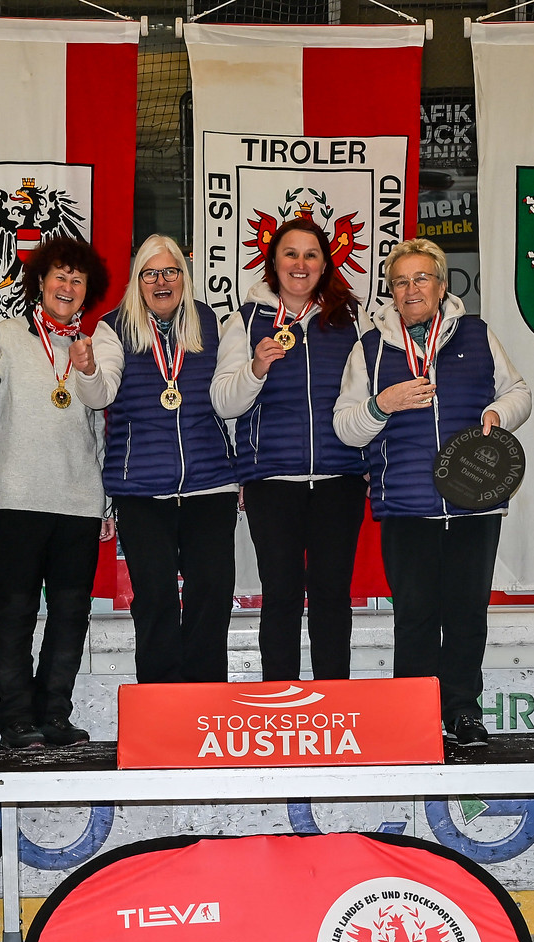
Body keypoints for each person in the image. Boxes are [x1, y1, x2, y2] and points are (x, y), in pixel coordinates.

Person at [332, 238, 531, 746]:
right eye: (401, 281)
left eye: (422, 278)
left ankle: (463, 711)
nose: (411, 288)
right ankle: (412, 716)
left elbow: (519, 393)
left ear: (443, 287)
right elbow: (346, 428)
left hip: (474, 503)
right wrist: (383, 403)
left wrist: (497, 415)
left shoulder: (478, 334)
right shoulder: (370, 348)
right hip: (406, 506)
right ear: (390, 293)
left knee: (467, 615)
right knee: (415, 617)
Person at [0, 235, 111, 747]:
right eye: (59, 276)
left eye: (77, 279)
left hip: (78, 503)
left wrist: (105, 500)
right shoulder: (4, 336)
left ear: (87, 290)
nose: (67, 286)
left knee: (71, 614)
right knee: (16, 612)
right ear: (40, 283)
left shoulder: (91, 345)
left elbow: (99, 428)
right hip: (16, 501)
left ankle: (55, 714)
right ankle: (15, 717)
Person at [212, 216, 369, 681]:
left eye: (311, 254)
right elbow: (223, 402)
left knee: (331, 594)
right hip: (271, 481)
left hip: (340, 478)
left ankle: (334, 700)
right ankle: (279, 699)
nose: (300, 264)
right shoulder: (244, 321)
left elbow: (370, 393)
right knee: (280, 593)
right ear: (273, 262)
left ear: (325, 264)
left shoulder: (351, 320)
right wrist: (256, 368)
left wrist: (368, 460)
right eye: (290, 254)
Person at [72, 234, 236, 683]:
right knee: (156, 597)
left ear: (184, 277)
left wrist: (240, 472)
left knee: (212, 595)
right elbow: (100, 391)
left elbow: (228, 397)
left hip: (211, 485)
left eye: (171, 272)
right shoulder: (113, 327)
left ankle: (205, 700)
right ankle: (161, 703)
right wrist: (86, 369)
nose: (162, 281)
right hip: (142, 490)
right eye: (151, 274)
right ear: (137, 281)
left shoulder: (208, 321)